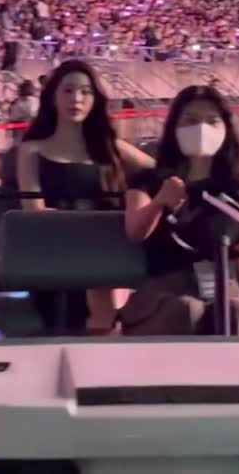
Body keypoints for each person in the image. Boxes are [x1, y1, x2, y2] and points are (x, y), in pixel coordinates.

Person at [122, 85, 239, 336]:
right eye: (191, 120)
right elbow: (135, 231)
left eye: (212, 121)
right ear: (174, 126)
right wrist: (160, 203)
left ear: (226, 129)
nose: (201, 128)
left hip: (223, 284)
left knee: (235, 313)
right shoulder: (149, 181)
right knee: (186, 311)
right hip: (163, 287)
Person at [17, 59, 155, 333]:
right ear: (53, 95)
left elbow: (159, 171)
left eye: (85, 92)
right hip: (54, 253)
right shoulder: (31, 150)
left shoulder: (110, 148)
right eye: (68, 90)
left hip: (105, 255)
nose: (76, 99)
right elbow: (34, 213)